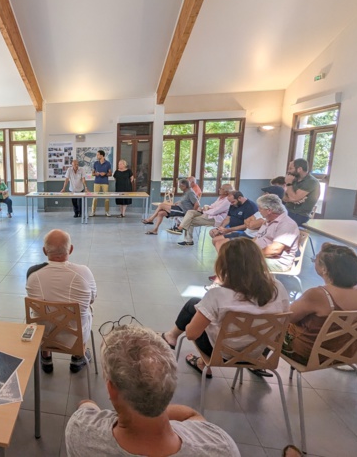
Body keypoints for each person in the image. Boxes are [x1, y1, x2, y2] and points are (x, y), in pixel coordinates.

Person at [65, 325, 240, 457]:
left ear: (112, 389)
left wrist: (88, 404)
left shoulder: (80, 431)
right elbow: (192, 416)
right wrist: (151, 403)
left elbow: (86, 407)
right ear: (170, 383)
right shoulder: (221, 447)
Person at [160, 237, 289, 378]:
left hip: (220, 354)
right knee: (202, 308)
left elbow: (191, 334)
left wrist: (205, 321)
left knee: (194, 304)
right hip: (256, 353)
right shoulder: (278, 288)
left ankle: (173, 338)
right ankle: (180, 343)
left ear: (224, 264)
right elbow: (283, 322)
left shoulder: (217, 295)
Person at [26, 229, 97, 373]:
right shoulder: (83, 272)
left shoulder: (33, 275)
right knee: (84, 313)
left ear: (44, 251)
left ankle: (46, 356)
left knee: (43, 314)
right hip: (74, 338)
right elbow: (92, 299)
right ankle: (78, 357)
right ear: (70, 249)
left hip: (44, 336)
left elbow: (34, 303)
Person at [282, 243, 357, 365]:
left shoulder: (318, 295)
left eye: (315, 260)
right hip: (345, 354)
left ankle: (257, 360)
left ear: (324, 269)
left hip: (306, 355)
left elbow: (286, 317)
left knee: (268, 326)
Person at [253, 194, 300, 272]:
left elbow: (275, 250)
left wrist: (250, 254)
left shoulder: (287, 224)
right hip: (261, 255)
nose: (259, 211)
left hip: (278, 262)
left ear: (269, 210)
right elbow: (256, 239)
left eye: (260, 208)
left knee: (241, 262)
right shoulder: (267, 221)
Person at [283, 158, 321, 226]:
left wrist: (288, 184)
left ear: (299, 169)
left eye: (290, 168)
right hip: (287, 210)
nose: (288, 171)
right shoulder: (294, 179)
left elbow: (294, 198)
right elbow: (284, 197)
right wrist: (291, 200)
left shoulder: (311, 182)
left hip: (299, 215)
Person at [90, 150, 112, 217]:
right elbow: (92, 173)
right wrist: (95, 174)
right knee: (95, 197)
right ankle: (93, 212)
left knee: (106, 197)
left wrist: (105, 174)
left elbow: (110, 173)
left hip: (105, 183)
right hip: (96, 182)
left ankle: (107, 212)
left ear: (102, 155)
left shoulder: (108, 163)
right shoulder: (95, 163)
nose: (97, 156)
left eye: (98, 155)